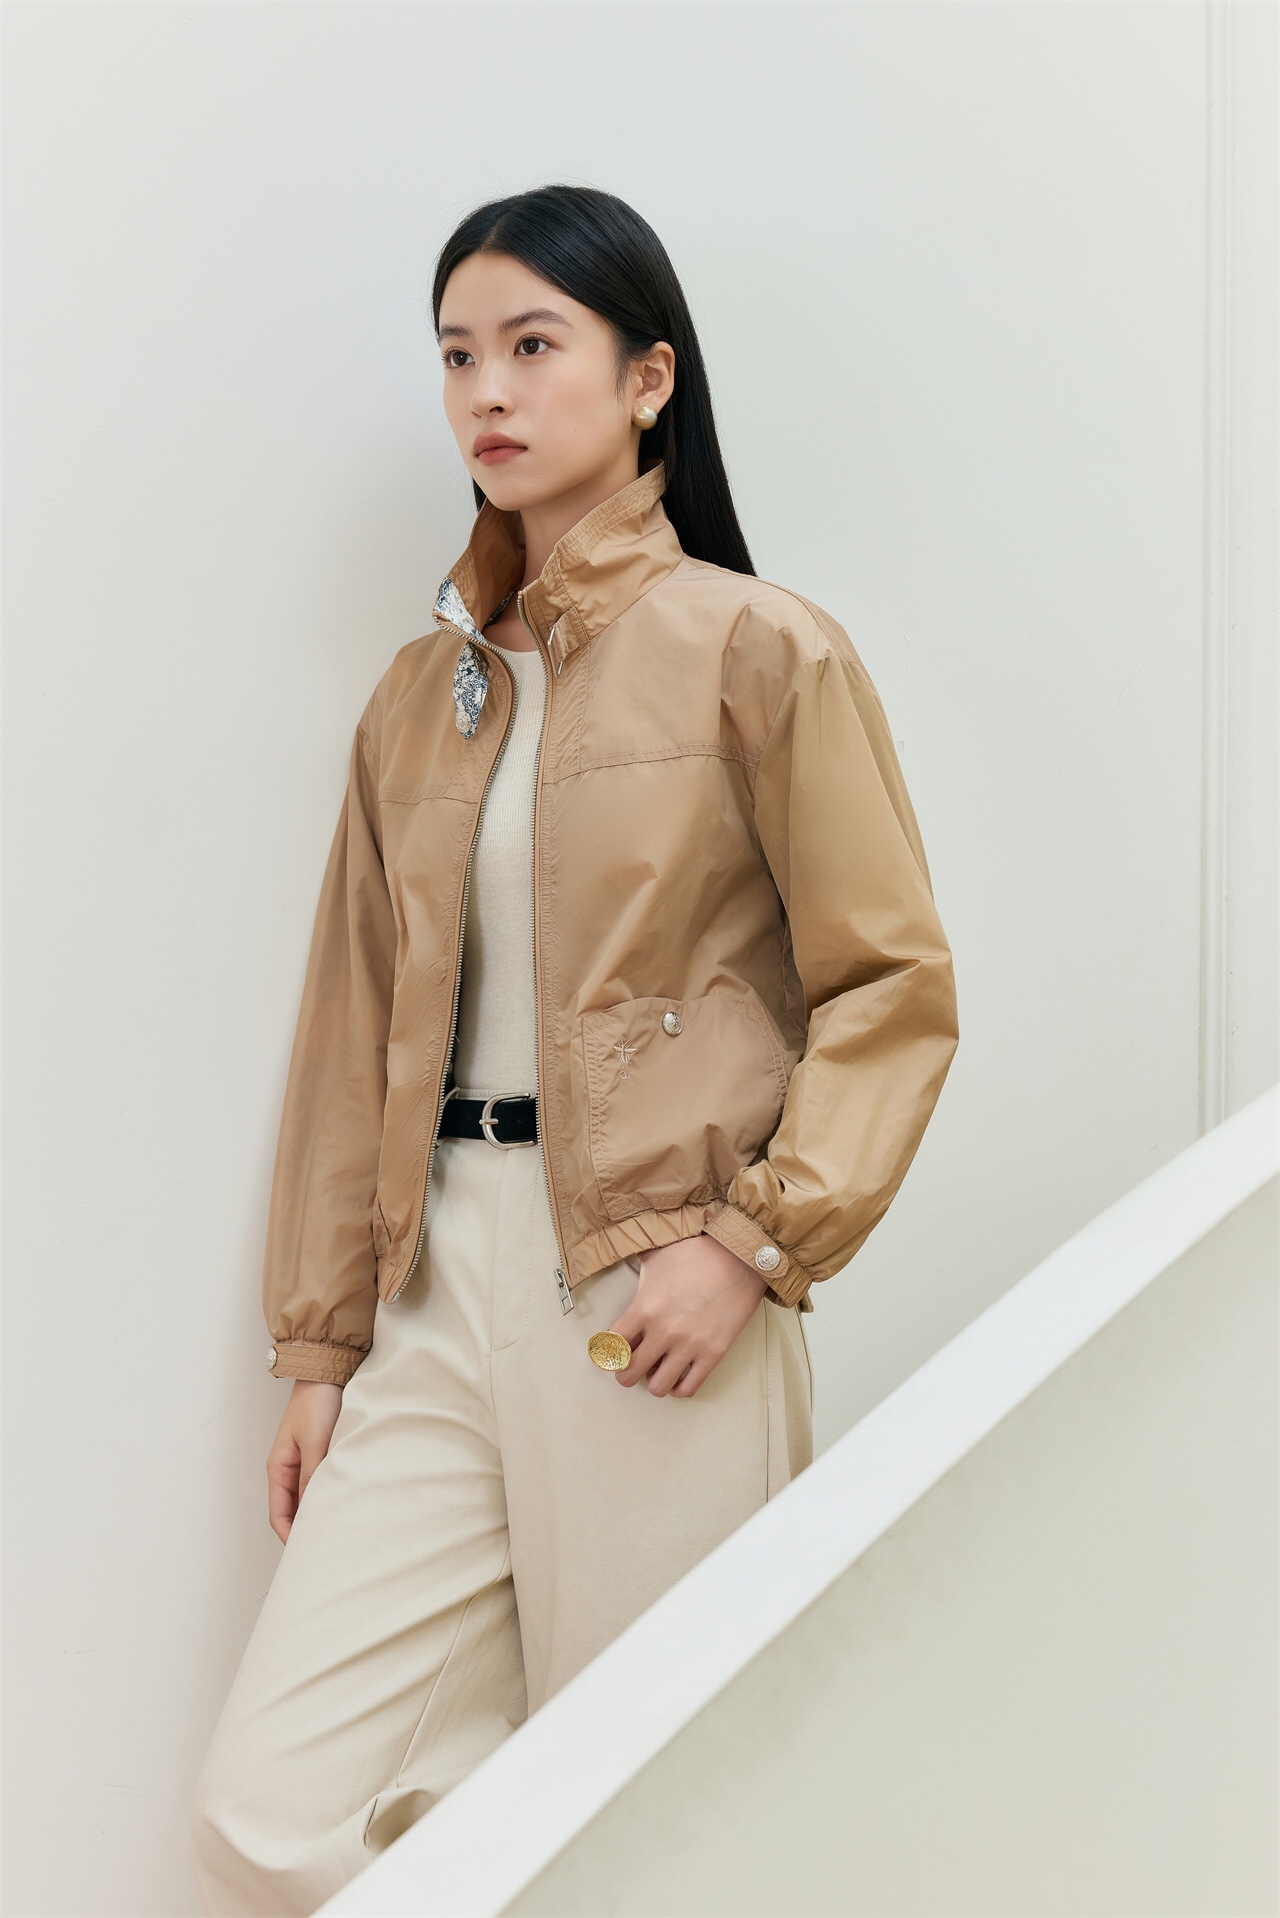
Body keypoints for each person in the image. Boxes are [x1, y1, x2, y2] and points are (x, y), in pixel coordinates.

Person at [190, 183, 958, 1914]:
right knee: (269, 1809)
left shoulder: (757, 645)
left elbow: (891, 984)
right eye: (458, 354)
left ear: (648, 378)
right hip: (434, 1282)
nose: (488, 391)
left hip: (648, 1288)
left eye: (534, 345)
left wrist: (752, 1242)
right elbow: (351, 1040)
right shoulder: (422, 695)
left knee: (668, 1811)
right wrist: (322, 1346)